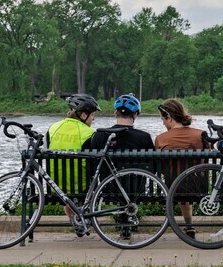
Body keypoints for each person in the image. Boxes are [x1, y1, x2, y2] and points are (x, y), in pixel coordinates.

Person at [90, 93, 154, 240]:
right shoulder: (144, 137)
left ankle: (124, 223)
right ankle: (128, 223)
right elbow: (152, 166)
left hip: (108, 189)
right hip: (137, 189)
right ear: (136, 115)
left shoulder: (100, 135)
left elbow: (93, 165)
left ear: (115, 113)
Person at [155, 98, 209, 239]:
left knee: (178, 179)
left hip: (172, 188)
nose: (162, 122)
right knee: (187, 179)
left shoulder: (161, 139)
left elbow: (159, 168)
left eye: (162, 119)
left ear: (169, 117)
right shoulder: (200, 135)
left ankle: (189, 226)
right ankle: (189, 226)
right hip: (199, 187)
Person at [46, 93, 99, 237]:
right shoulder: (89, 133)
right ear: (83, 115)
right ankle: (81, 220)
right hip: (81, 187)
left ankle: (75, 220)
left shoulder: (52, 128)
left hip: (55, 187)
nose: (93, 119)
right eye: (92, 115)